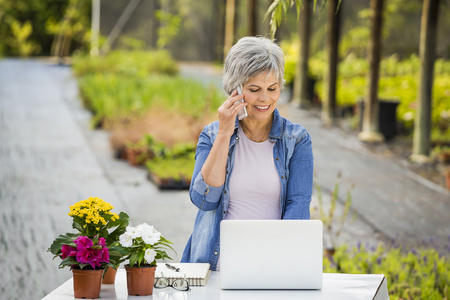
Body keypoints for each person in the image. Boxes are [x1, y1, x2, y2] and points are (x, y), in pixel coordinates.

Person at [181, 36, 313, 270]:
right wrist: (225, 132)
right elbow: (204, 200)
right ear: (236, 89)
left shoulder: (297, 139)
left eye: (272, 88)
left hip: (270, 266)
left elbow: (298, 206)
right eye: (254, 89)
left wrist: (282, 265)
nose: (265, 98)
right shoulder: (212, 135)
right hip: (214, 267)